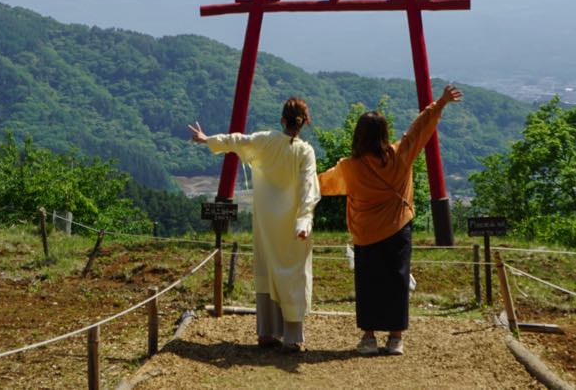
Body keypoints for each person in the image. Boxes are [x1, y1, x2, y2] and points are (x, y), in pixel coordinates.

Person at [318, 85, 463, 356]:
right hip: (398, 228)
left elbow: (322, 184)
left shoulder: (350, 167)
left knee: (368, 282)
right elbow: (419, 128)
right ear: (384, 134)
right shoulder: (400, 155)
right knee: (397, 280)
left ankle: (369, 336)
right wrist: (440, 103)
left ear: (358, 136)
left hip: (365, 232)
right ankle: (396, 338)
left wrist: (291, 180)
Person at [188, 97, 320, 351]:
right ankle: (292, 337)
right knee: (292, 274)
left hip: (267, 223)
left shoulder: (266, 139)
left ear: (282, 120)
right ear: (304, 123)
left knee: (267, 271)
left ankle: (266, 332)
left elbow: (238, 140)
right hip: (294, 225)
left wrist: (207, 139)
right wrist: (304, 220)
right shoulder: (305, 152)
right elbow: (308, 188)